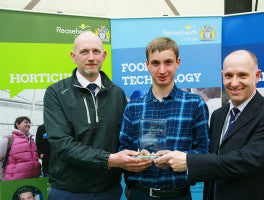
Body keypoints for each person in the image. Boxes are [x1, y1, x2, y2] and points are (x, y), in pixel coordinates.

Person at [155, 50, 264, 200]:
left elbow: (247, 160)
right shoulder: (219, 115)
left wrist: (187, 161)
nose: (234, 83)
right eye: (228, 75)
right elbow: (214, 159)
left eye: (242, 75)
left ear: (257, 76)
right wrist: (170, 159)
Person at [43, 31, 150, 200]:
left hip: (109, 191)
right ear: (73, 56)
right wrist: (110, 159)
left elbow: (124, 140)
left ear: (104, 55)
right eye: (84, 52)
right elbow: (62, 145)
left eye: (96, 51)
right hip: (68, 192)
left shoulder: (117, 94)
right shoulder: (56, 93)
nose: (91, 57)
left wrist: (138, 157)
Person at [119, 37, 210, 199]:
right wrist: (136, 158)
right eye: (155, 63)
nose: (162, 70)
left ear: (178, 63)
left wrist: (180, 159)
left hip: (179, 194)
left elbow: (204, 151)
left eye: (168, 62)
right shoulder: (133, 107)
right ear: (147, 65)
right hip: (140, 193)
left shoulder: (195, 104)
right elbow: (122, 150)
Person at [0, 116, 41, 181]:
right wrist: (2, 177)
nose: (28, 125)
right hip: (15, 180)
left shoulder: (31, 140)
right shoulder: (9, 139)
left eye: (29, 123)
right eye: (25, 122)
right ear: (17, 125)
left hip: (33, 179)